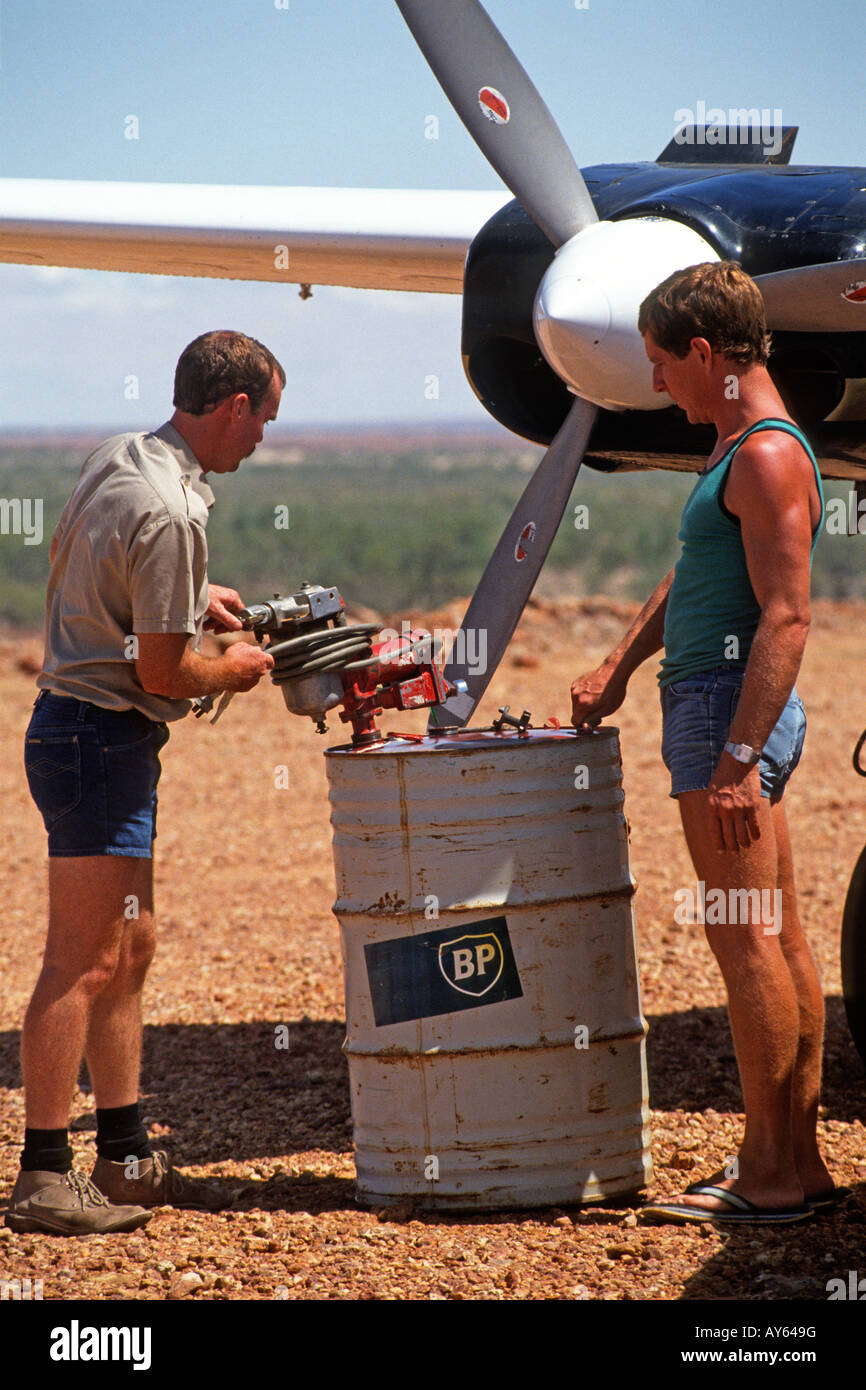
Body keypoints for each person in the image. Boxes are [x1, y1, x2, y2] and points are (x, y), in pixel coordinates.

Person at [571, 262, 834, 1225]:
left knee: (745, 943)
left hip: (727, 712)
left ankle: (764, 1175)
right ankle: (797, 1166)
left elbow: (790, 618)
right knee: (782, 937)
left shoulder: (765, 455)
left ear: (702, 352)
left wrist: (732, 763)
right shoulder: (738, 447)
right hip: (719, 704)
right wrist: (621, 664)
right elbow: (695, 577)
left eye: (660, 363)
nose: (655, 385)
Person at [6, 331, 282, 1234]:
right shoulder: (173, 513)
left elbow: (96, 557)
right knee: (80, 962)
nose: (262, 440)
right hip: (99, 736)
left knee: (130, 950)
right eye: (263, 420)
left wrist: (189, 594)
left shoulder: (124, 459)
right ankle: (44, 1175)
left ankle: (123, 1157)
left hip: (89, 735)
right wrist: (233, 669)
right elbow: (165, 676)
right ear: (233, 405)